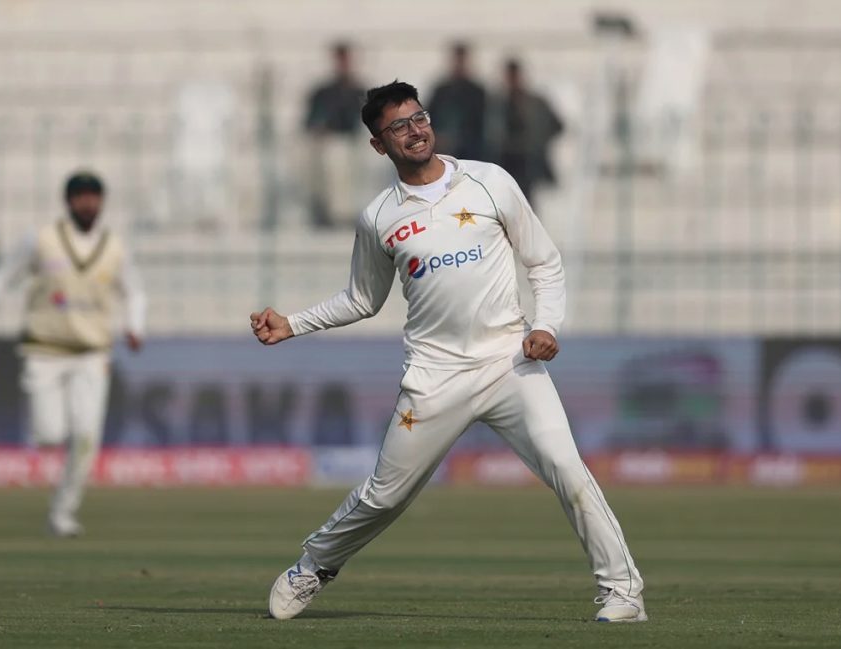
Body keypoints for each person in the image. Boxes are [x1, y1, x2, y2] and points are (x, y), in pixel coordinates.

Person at [251, 82, 646, 623]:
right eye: (398, 126)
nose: (414, 131)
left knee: (566, 467)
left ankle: (622, 591)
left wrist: (548, 325)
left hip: (510, 361)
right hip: (434, 377)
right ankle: (314, 564)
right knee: (385, 497)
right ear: (377, 145)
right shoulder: (379, 217)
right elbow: (362, 300)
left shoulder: (488, 181)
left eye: (419, 118)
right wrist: (291, 324)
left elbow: (545, 263)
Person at [0, 171, 146, 537]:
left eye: (94, 196)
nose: (88, 203)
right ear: (68, 201)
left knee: (86, 436)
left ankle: (62, 513)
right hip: (44, 350)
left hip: (93, 354)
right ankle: (55, 476)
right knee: (49, 434)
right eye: (81, 196)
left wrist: (135, 327)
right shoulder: (41, 240)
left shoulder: (114, 246)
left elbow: (136, 291)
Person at [303, 42, 367, 228]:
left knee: (337, 156)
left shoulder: (359, 91)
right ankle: (324, 209)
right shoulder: (322, 91)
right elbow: (310, 122)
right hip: (323, 144)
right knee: (324, 157)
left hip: (351, 143)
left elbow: (362, 122)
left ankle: (342, 213)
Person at [488, 59, 565, 206]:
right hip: (505, 160)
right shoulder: (497, 103)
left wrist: (539, 141)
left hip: (527, 161)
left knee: (525, 204)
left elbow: (557, 126)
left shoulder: (535, 102)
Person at [428, 42, 487, 160]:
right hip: (444, 150)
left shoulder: (477, 91)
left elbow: (481, 122)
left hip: (470, 149)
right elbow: (429, 115)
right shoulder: (441, 90)